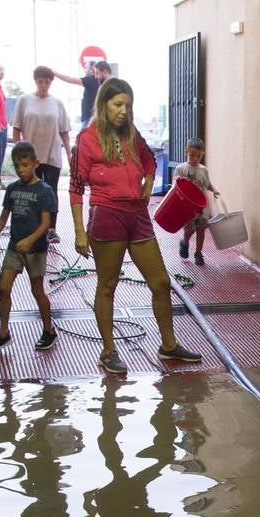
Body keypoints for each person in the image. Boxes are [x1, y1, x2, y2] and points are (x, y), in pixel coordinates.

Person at [69, 78, 203, 376]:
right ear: (103, 104)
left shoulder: (132, 133)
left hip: (137, 215)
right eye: (118, 105)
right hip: (106, 215)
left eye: (127, 105)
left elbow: (150, 159)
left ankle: (168, 345)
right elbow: (76, 188)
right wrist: (79, 231)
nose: (123, 111)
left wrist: (149, 181)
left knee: (161, 283)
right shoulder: (87, 138)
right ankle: (108, 350)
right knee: (107, 285)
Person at [0, 142, 58, 355]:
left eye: (24, 165)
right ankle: (3, 333)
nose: (21, 170)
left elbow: (45, 224)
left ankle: (49, 330)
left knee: (37, 290)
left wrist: (31, 240)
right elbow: (3, 218)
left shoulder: (44, 191)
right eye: (16, 166)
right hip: (15, 247)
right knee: (3, 288)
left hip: (35, 249)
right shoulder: (13, 189)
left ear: (35, 163)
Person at [12, 66, 70, 244]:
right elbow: (16, 128)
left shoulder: (57, 103)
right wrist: (19, 155)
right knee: (31, 191)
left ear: (51, 83)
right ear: (35, 81)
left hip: (52, 155)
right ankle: (32, 228)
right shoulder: (24, 100)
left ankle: (51, 229)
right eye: (40, 81)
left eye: (47, 82)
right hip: (31, 157)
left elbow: (64, 131)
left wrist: (69, 153)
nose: (44, 85)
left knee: (50, 192)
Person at [174, 138, 218, 266]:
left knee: (201, 229)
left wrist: (214, 190)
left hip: (202, 207)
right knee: (190, 229)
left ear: (202, 154)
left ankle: (198, 253)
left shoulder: (203, 170)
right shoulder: (180, 169)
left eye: (198, 156)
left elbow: (208, 184)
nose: (195, 159)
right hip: (188, 208)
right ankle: (185, 241)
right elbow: (175, 187)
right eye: (192, 155)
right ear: (186, 152)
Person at [57, 60, 112, 126]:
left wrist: (55, 73)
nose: (96, 76)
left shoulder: (94, 81)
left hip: (93, 121)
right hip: (96, 121)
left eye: (97, 73)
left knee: (82, 136)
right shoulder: (102, 86)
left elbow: (70, 79)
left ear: (105, 72)